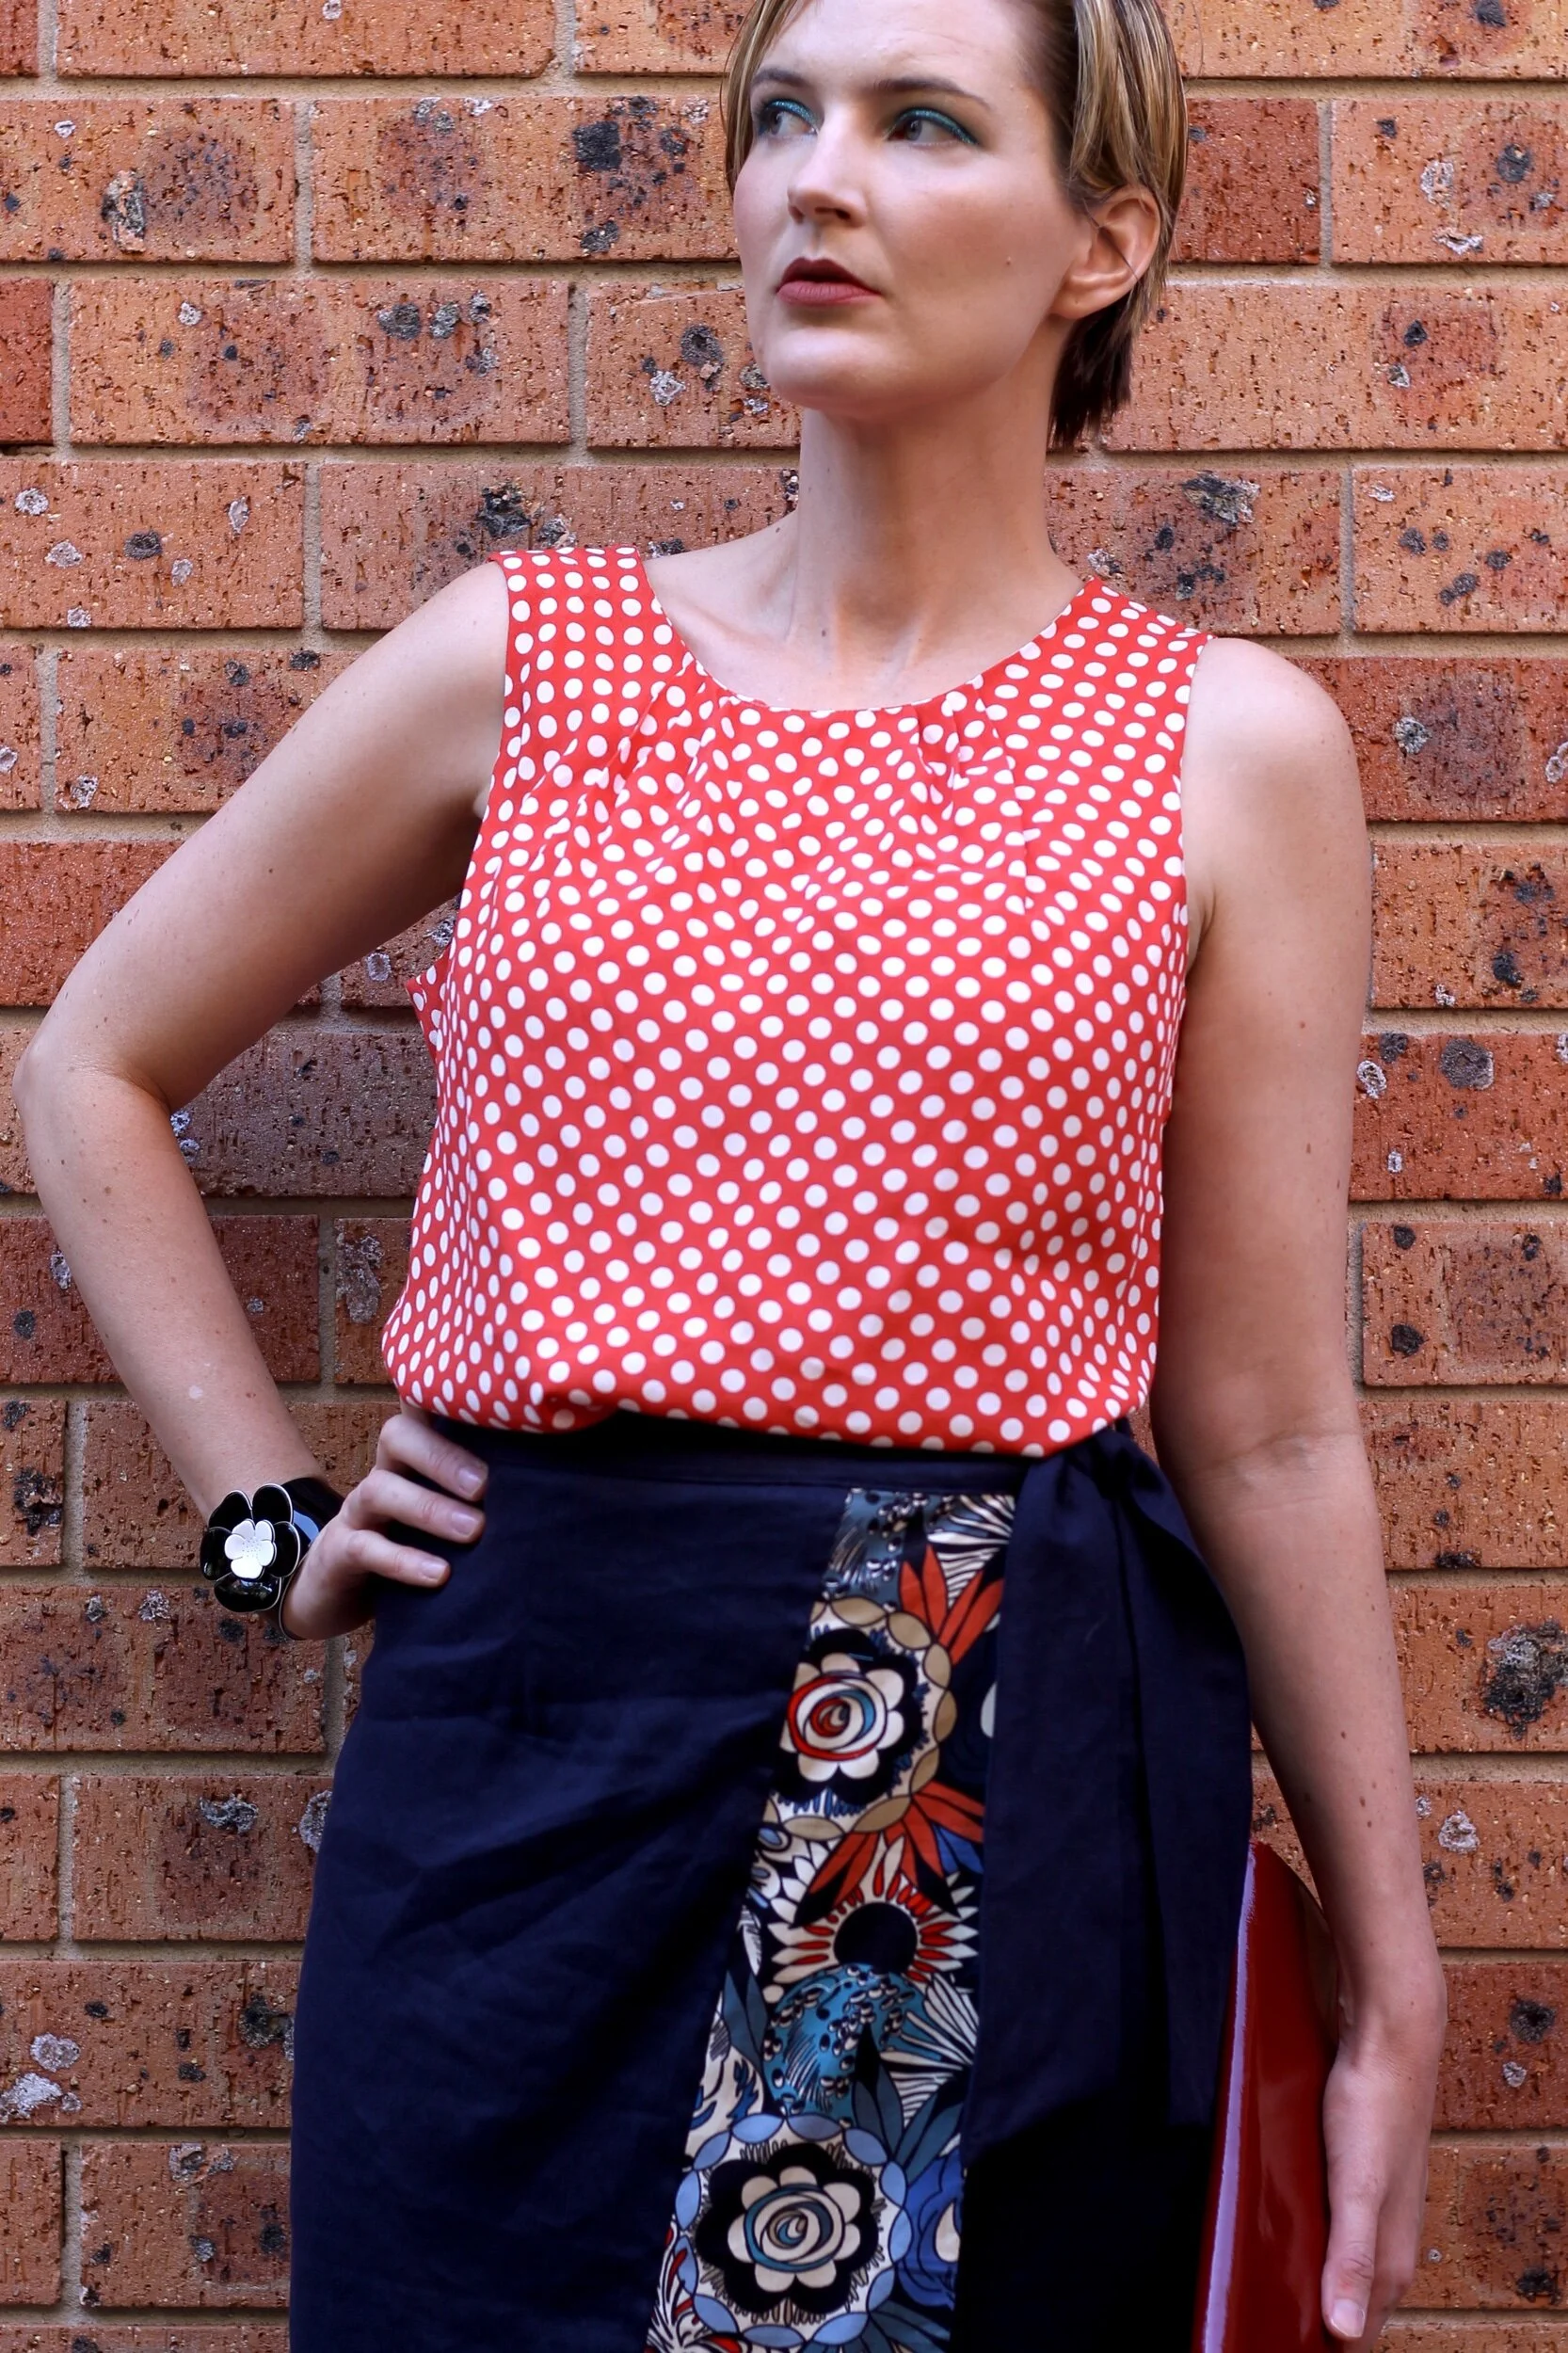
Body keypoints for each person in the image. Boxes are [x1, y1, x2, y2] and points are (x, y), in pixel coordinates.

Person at [16, 0, 1445, 2345]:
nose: (816, 178)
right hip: (522, 1714)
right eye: (777, 117)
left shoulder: (1223, 754)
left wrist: (1391, 1973)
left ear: (1105, 237)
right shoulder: (525, 663)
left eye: (914, 123)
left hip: (967, 1730)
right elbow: (94, 1064)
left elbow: (1268, 1419)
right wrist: (262, 1513)